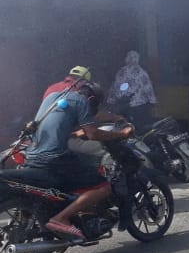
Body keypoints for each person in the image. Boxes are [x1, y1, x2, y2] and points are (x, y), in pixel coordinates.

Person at [18, 79, 133, 241]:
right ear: (91, 99)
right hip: (54, 159)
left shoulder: (52, 97)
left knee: (79, 166)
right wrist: (122, 134)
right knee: (102, 187)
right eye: (95, 104)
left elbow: (56, 125)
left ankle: (81, 211)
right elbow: (93, 134)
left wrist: (75, 133)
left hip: (32, 155)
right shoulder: (81, 101)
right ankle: (61, 218)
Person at [110, 50, 157, 128]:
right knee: (141, 127)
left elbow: (115, 87)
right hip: (140, 106)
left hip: (124, 106)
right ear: (137, 59)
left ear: (126, 59)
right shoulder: (142, 72)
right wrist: (153, 101)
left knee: (125, 127)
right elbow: (148, 88)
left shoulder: (120, 72)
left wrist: (111, 100)